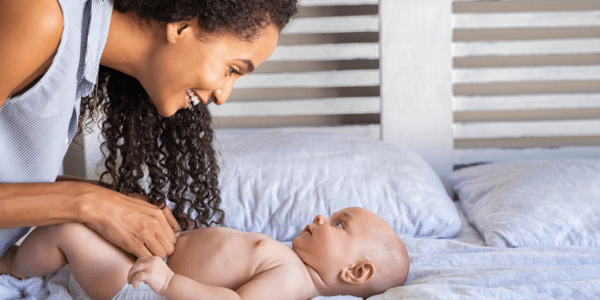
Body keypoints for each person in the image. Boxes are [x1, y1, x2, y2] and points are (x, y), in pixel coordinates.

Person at [0, 0, 298, 259]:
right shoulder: (42, 16)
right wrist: (92, 205)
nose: (222, 95)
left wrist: (114, 201)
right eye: (232, 69)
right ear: (180, 27)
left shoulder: (77, 44)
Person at [0, 207, 410, 300]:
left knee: (66, 227)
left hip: (145, 291)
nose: (322, 216)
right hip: (149, 271)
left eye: (339, 224)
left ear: (356, 272)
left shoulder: (293, 280)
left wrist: (169, 280)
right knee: (91, 224)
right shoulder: (289, 259)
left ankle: (10, 268)